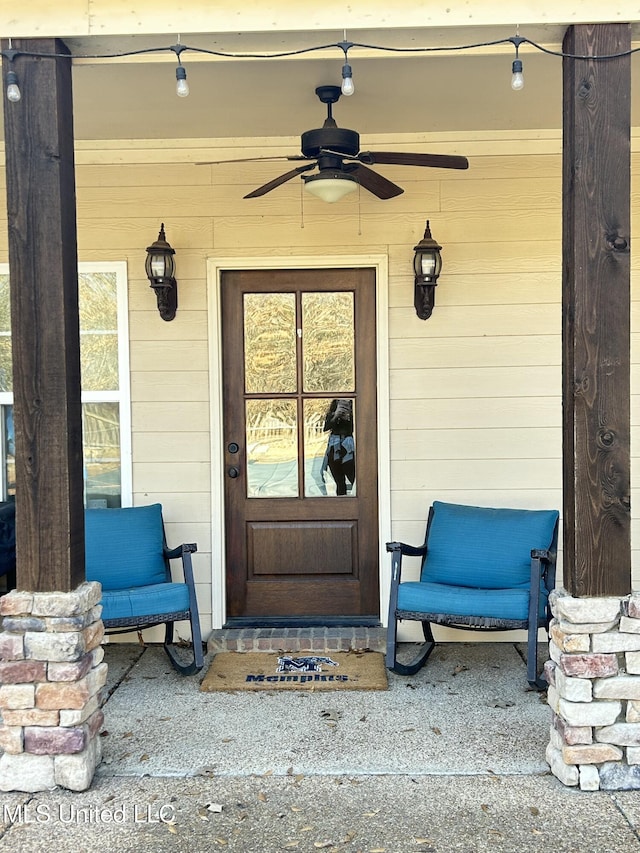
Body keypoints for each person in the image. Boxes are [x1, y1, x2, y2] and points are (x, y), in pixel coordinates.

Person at [322, 399, 355, 496]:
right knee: (339, 481)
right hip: (334, 448)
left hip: (348, 448)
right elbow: (326, 428)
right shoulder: (332, 415)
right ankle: (342, 501)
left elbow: (354, 429)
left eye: (346, 406)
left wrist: (349, 416)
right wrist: (335, 416)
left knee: (353, 477)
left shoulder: (353, 416)